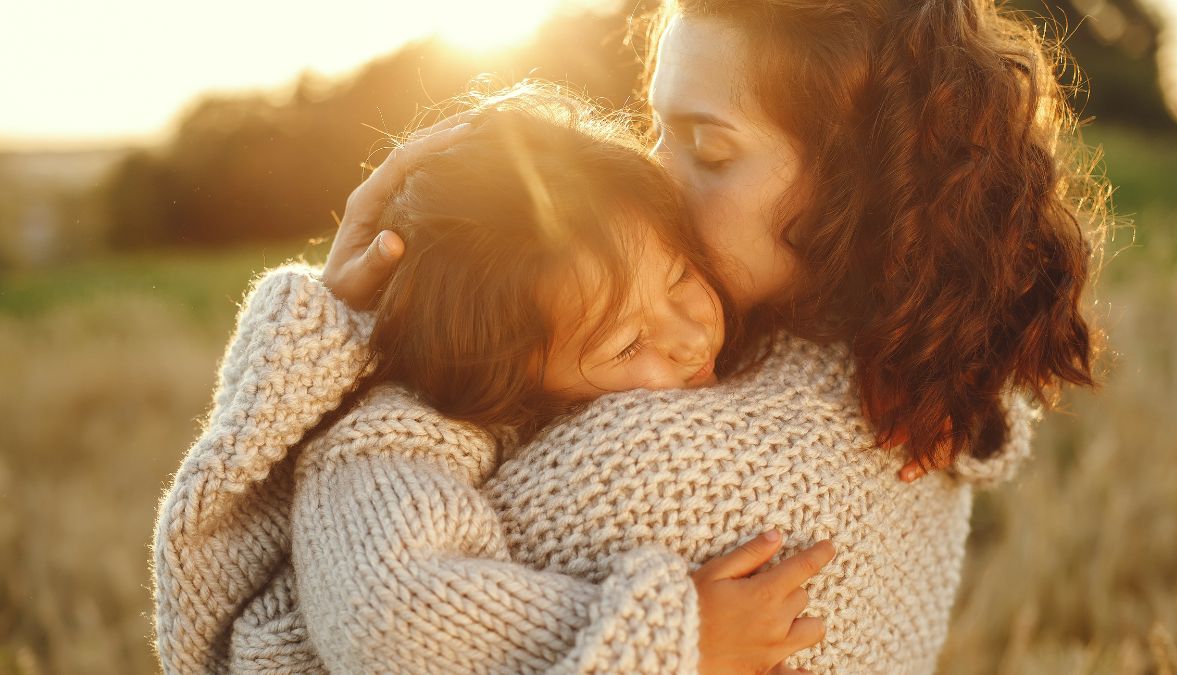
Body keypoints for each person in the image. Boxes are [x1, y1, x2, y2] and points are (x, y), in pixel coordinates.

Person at [155, 0, 1108, 671]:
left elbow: (269, 641)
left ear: (862, 182)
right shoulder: (919, 392)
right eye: (657, 131)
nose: (657, 178)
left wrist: (341, 345)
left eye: (711, 147)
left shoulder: (651, 462)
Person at [154, 83, 834, 675]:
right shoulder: (389, 447)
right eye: (628, 343)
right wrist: (678, 638)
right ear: (506, 374)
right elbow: (390, 612)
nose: (689, 336)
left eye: (681, 275)